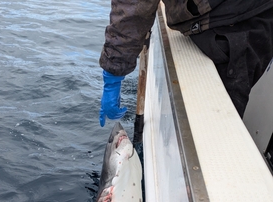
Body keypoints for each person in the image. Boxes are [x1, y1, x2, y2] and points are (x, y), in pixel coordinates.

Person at [99, 0, 273, 126]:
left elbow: (134, 7)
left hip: (227, 26)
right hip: (257, 15)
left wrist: (114, 70)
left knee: (214, 134)